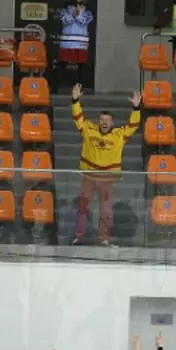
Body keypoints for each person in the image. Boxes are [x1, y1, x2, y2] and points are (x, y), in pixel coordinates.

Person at [70, 82, 140, 246]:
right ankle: (79, 236)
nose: (104, 122)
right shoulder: (89, 129)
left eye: (107, 120)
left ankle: (104, 238)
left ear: (112, 122)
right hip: (89, 176)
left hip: (107, 178)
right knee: (82, 207)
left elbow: (133, 125)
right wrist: (75, 101)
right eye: (101, 119)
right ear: (98, 121)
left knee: (106, 211)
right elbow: (78, 118)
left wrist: (136, 109)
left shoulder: (119, 134)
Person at [54, 0, 94, 93]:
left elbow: (85, 21)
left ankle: (80, 88)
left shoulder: (88, 8)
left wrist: (78, 15)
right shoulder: (66, 6)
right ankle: (55, 86)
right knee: (62, 63)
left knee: (82, 66)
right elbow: (64, 19)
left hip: (80, 42)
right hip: (67, 41)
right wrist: (73, 14)